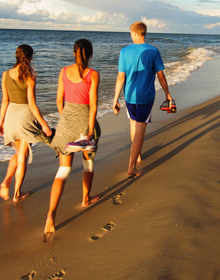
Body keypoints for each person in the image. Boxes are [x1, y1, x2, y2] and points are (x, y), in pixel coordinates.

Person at [44, 39, 102, 240]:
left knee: (64, 170)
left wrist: (66, 118)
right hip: (85, 123)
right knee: (88, 164)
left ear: (74, 52)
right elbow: (93, 105)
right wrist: (88, 130)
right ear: (90, 54)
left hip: (66, 125)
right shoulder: (92, 74)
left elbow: (59, 101)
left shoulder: (63, 71)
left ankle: (51, 215)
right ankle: (86, 198)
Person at [112, 21, 173, 177]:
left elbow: (120, 78)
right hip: (145, 96)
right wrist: (167, 94)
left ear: (135, 33)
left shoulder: (125, 51)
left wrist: (115, 99)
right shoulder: (153, 51)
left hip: (130, 95)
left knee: (133, 124)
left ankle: (137, 155)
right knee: (141, 128)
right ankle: (132, 165)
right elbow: (161, 76)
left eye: (130, 33)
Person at [0, 44, 53, 202]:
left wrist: (1, 122)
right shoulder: (29, 77)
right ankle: (16, 194)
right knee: (23, 155)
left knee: (19, 151)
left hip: (11, 117)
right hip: (24, 117)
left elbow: (5, 100)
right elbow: (32, 105)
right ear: (30, 57)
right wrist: (44, 125)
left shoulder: (5, 74)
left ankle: (7, 181)